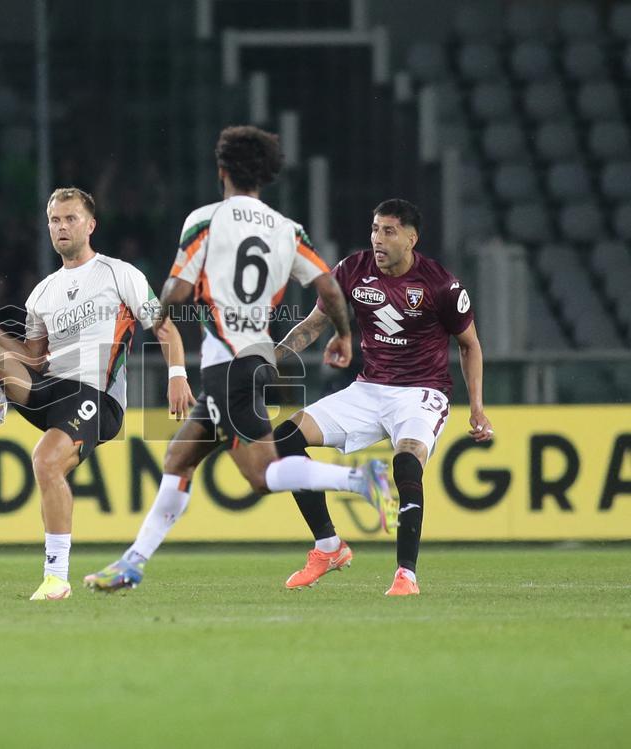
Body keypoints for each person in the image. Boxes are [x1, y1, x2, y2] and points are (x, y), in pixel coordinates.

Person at [84, 125, 394, 594]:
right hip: (253, 361)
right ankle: (133, 562)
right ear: (264, 175)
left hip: (227, 364)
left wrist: (162, 309)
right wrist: (345, 336)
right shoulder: (288, 229)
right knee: (179, 457)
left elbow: (180, 289)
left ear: (222, 170)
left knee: (262, 474)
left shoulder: (206, 219)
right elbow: (329, 287)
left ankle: (360, 479)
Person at [0, 187, 196, 601]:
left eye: (70, 218)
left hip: (95, 395)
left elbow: (164, 325)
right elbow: (32, 358)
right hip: (50, 388)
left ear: (90, 225)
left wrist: (177, 374)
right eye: (55, 220)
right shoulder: (43, 292)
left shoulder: (120, 273)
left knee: (46, 462)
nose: (62, 227)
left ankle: (57, 578)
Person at [268, 198, 492, 595]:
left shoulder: (441, 284)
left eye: (388, 231)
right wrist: (270, 358)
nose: (378, 239)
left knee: (406, 463)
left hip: (422, 392)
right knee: (285, 437)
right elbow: (313, 324)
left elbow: (469, 345)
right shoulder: (352, 270)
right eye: (374, 229)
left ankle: (406, 574)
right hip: (369, 388)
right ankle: (328, 547)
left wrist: (477, 408)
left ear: (411, 238)